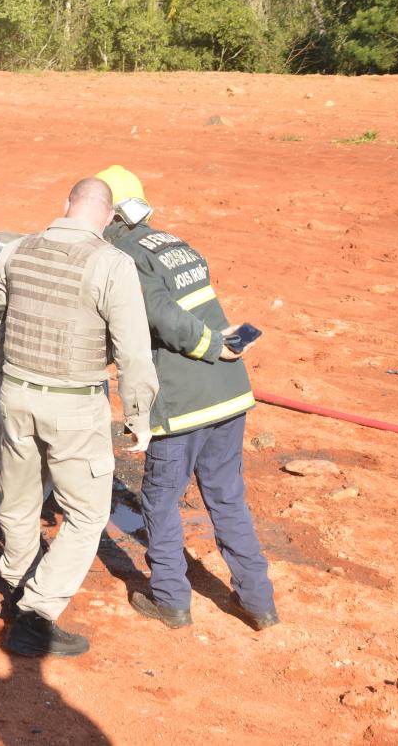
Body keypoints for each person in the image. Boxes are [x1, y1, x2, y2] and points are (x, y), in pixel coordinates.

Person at [0, 177, 158, 658]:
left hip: (15, 395)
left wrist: (6, 373)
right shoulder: (112, 264)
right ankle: (35, 616)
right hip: (74, 405)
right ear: (108, 217)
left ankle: (16, 586)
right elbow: (134, 353)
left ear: (66, 205)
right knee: (86, 514)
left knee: (18, 497)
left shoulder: (16, 251)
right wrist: (139, 415)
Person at [94, 164, 279, 631]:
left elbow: (164, 318)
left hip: (183, 402)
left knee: (159, 501)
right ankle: (259, 603)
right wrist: (224, 348)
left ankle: (171, 601)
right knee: (227, 498)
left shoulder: (125, 254)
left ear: (110, 213)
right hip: (228, 394)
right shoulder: (173, 243)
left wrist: (211, 347)